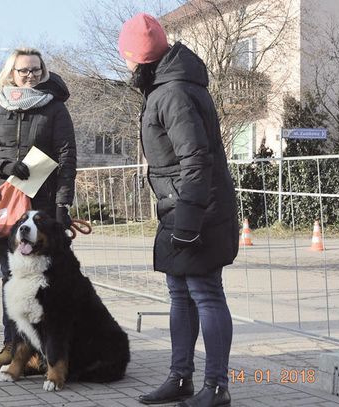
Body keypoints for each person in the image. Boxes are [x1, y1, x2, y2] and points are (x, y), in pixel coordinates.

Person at [118, 14, 239, 407]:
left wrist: (188, 218)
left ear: (138, 59)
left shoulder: (172, 93)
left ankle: (217, 387)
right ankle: (180, 378)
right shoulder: (168, 86)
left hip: (196, 208)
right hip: (180, 206)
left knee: (205, 293)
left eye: (127, 58)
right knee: (180, 295)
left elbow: (195, 158)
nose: (126, 65)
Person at [0, 48, 77, 368]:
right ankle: (12, 344)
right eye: (23, 70)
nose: (29, 75)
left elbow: (67, 158)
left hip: (42, 207)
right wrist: (4, 166)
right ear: (11, 73)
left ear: (43, 71)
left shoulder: (55, 109)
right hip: (6, 205)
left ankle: (43, 349)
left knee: (45, 279)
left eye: (35, 70)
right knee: (10, 277)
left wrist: (62, 204)